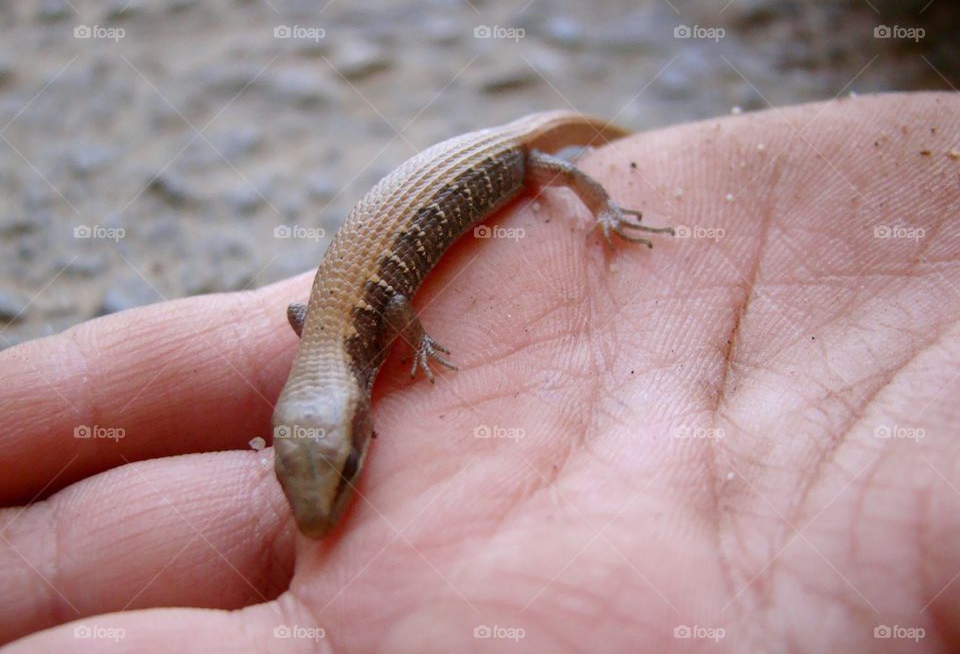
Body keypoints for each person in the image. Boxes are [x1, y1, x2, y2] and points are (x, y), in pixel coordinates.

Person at [1, 92, 957, 652]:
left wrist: (598, 206)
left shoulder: (346, 336)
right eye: (312, 475)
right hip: (430, 209)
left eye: (337, 469)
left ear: (358, 426)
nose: (321, 502)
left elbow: (364, 311)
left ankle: (607, 204)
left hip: (501, 161)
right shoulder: (330, 348)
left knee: (560, 175)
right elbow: (325, 320)